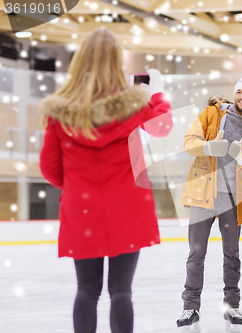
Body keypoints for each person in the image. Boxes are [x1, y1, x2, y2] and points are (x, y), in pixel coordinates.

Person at [39, 29, 172, 333]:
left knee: (86, 291)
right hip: (128, 208)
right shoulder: (135, 105)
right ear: (116, 62)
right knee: (121, 292)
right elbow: (164, 126)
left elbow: (49, 168)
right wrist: (157, 93)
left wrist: (77, 186)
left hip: (81, 211)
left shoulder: (61, 112)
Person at [177, 72, 242, 332]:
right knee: (196, 254)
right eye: (239, 92)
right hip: (203, 193)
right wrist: (207, 147)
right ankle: (190, 307)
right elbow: (188, 141)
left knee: (231, 255)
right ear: (234, 94)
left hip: (233, 199)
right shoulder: (213, 114)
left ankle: (231, 306)